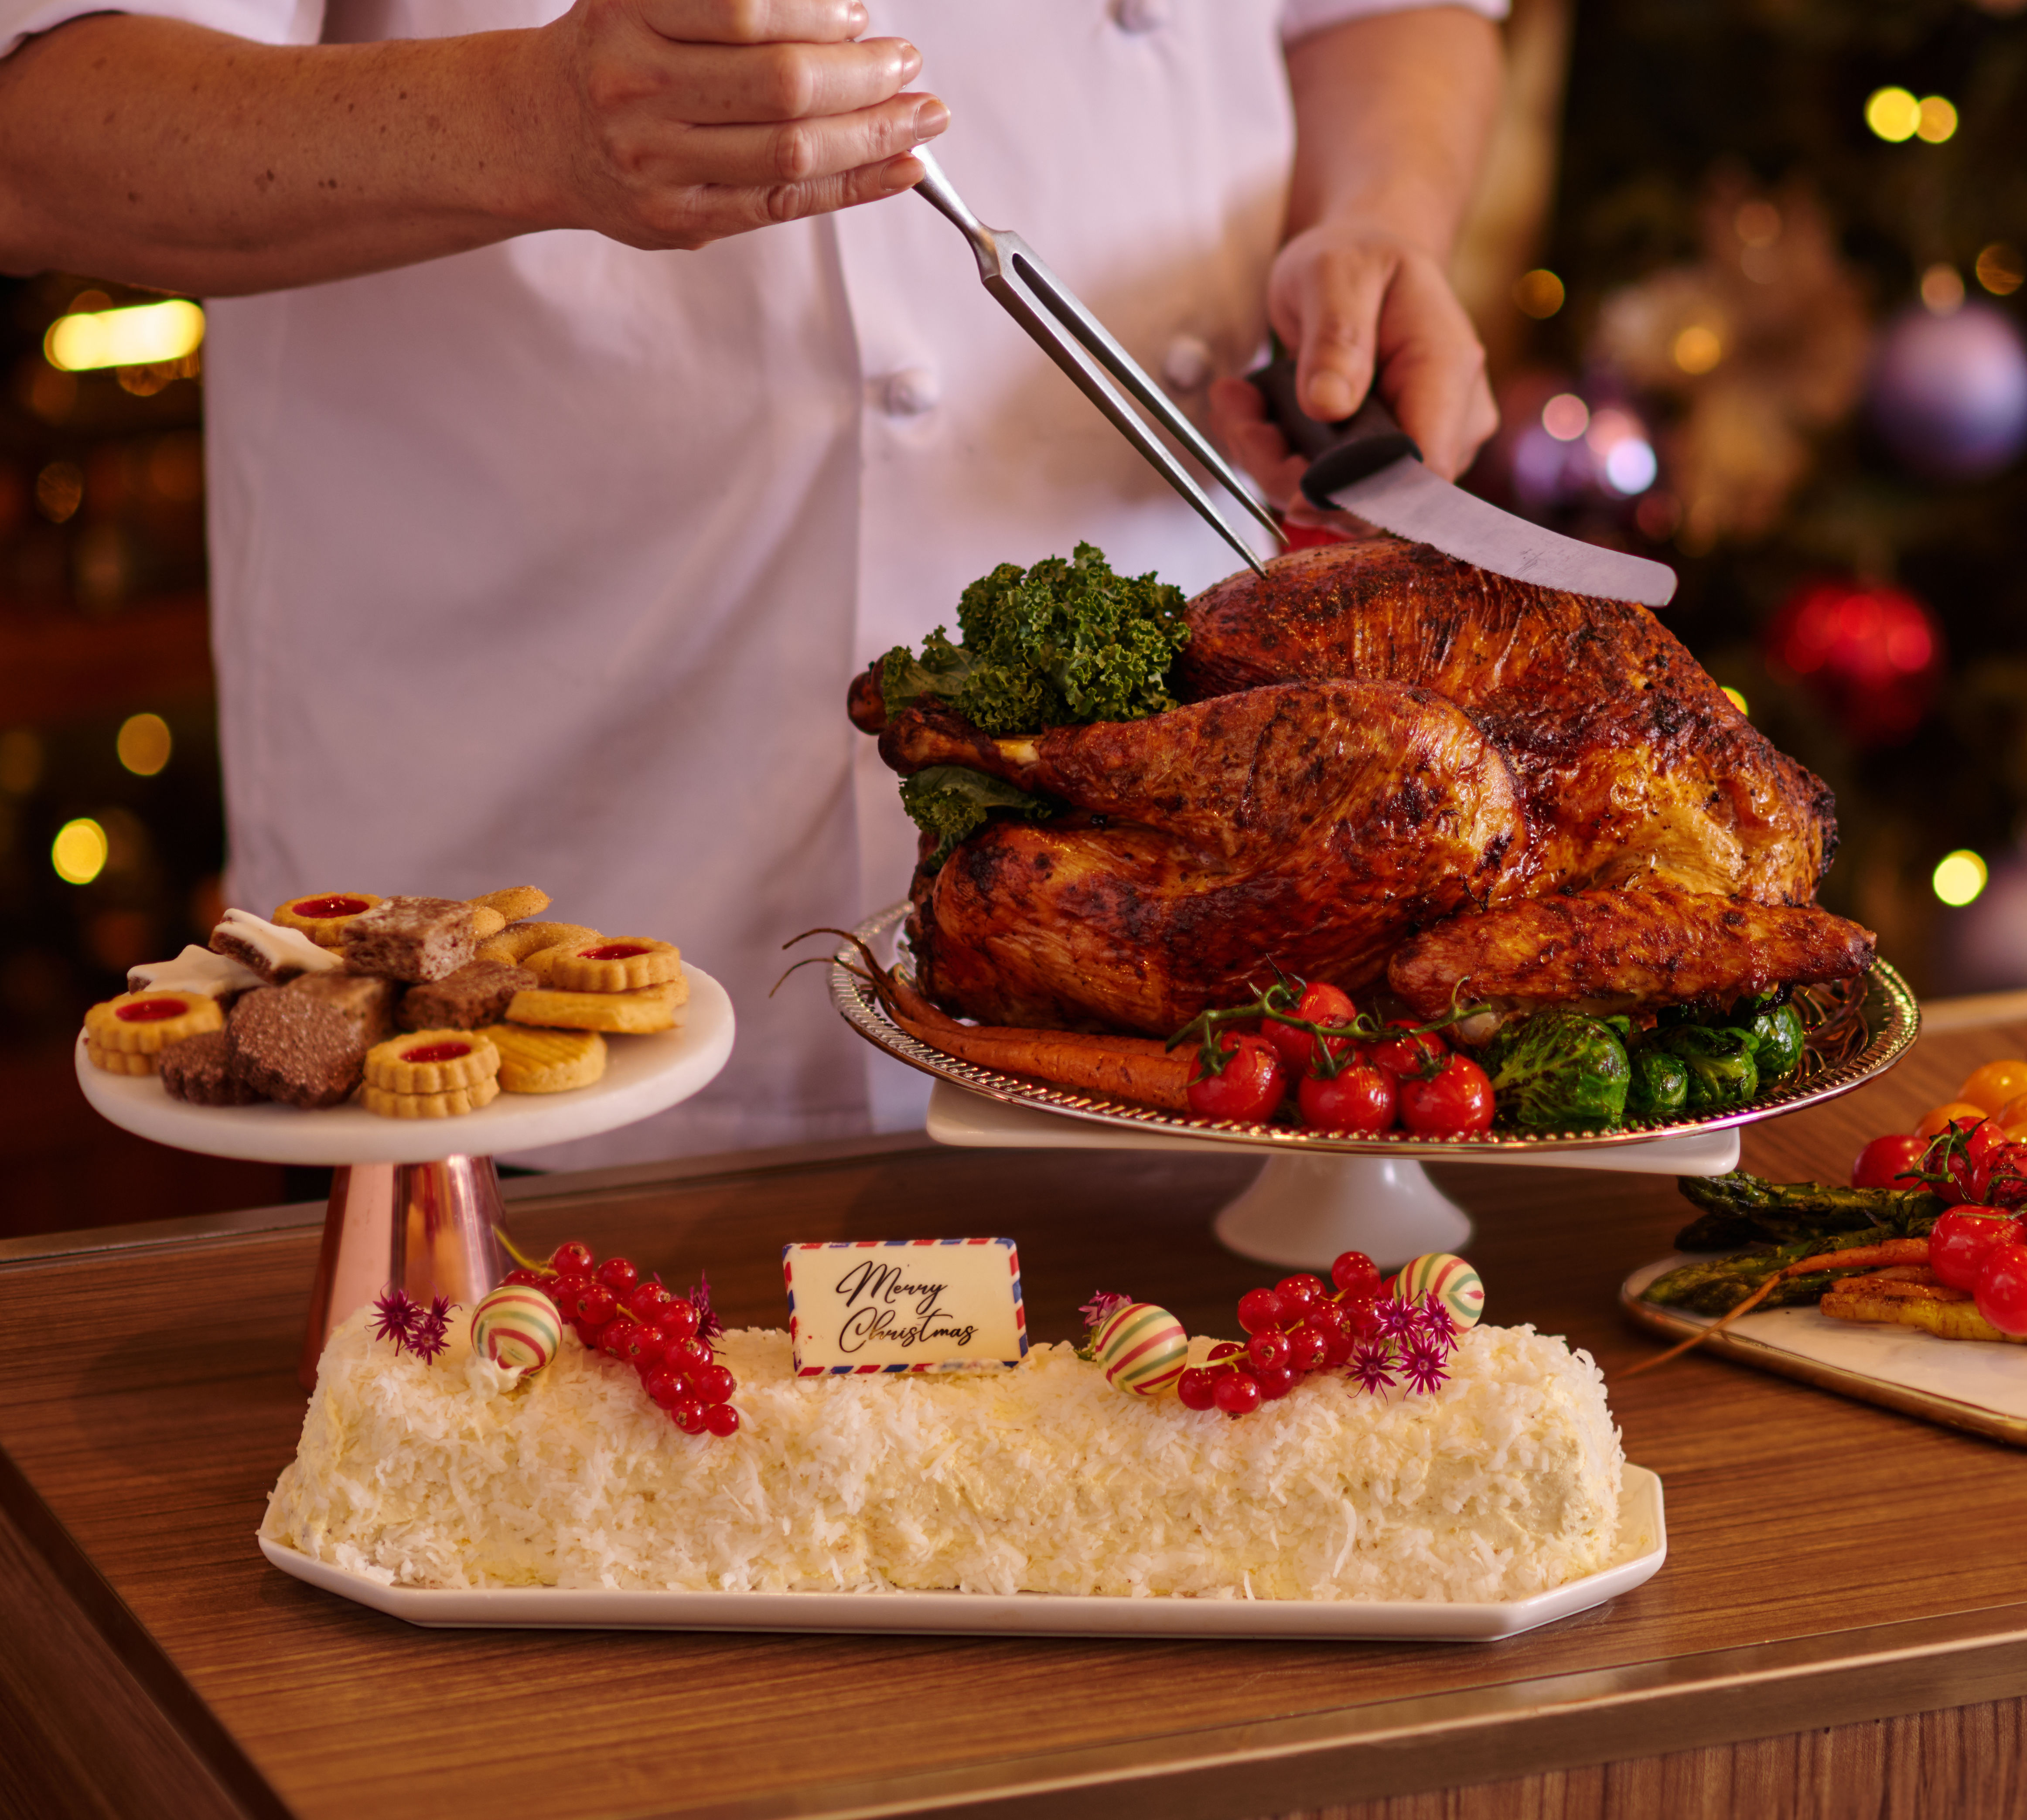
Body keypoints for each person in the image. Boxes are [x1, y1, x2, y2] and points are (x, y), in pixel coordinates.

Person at [0, 0, 1504, 1162]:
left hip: (1186, 945)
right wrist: (530, 120)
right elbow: (41, 119)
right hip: (536, 881)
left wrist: (1379, 219)